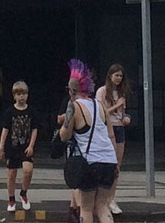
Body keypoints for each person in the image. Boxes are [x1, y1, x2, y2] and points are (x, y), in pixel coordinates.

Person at [62, 64, 118, 223]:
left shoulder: (74, 106)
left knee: (86, 208)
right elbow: (111, 136)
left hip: (90, 162)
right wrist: (116, 164)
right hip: (109, 160)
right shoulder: (100, 105)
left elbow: (64, 135)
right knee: (102, 206)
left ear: (72, 90)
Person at [0, 79, 39, 212]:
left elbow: (34, 129)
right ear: (14, 96)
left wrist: (31, 145)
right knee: (11, 174)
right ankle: (11, 199)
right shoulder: (9, 112)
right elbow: (5, 131)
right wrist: (1, 148)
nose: (22, 97)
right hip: (12, 147)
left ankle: (24, 192)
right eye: (19, 94)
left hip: (25, 146)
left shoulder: (32, 111)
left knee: (28, 170)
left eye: (24, 94)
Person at [98, 65, 130, 220]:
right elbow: (100, 112)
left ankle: (112, 198)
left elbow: (123, 112)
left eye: (121, 76)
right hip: (106, 128)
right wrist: (117, 105)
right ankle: (102, 198)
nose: (118, 79)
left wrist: (126, 117)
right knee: (107, 164)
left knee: (117, 165)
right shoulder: (102, 91)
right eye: (116, 75)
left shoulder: (121, 93)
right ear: (110, 75)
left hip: (119, 127)